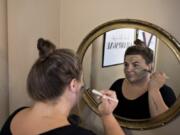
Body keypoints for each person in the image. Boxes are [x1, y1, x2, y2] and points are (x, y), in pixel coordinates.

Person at [0, 38, 125, 135]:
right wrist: (107, 115)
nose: (82, 85)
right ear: (73, 84)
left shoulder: (16, 116)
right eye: (81, 80)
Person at [110, 39, 176, 119]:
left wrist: (154, 90)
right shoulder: (117, 84)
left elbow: (164, 125)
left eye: (135, 65)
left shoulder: (165, 92)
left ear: (149, 66)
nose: (128, 69)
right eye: (126, 64)